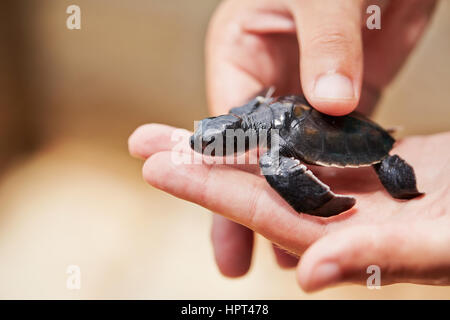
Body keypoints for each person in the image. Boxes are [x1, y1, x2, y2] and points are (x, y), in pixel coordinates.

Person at [129, 0, 450, 292]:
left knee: (383, 171)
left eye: (212, 143)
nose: (205, 146)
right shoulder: (250, 115)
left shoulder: (269, 145)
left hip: (349, 133)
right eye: (206, 140)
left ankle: (393, 174)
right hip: (296, 115)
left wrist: (322, 203)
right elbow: (244, 111)